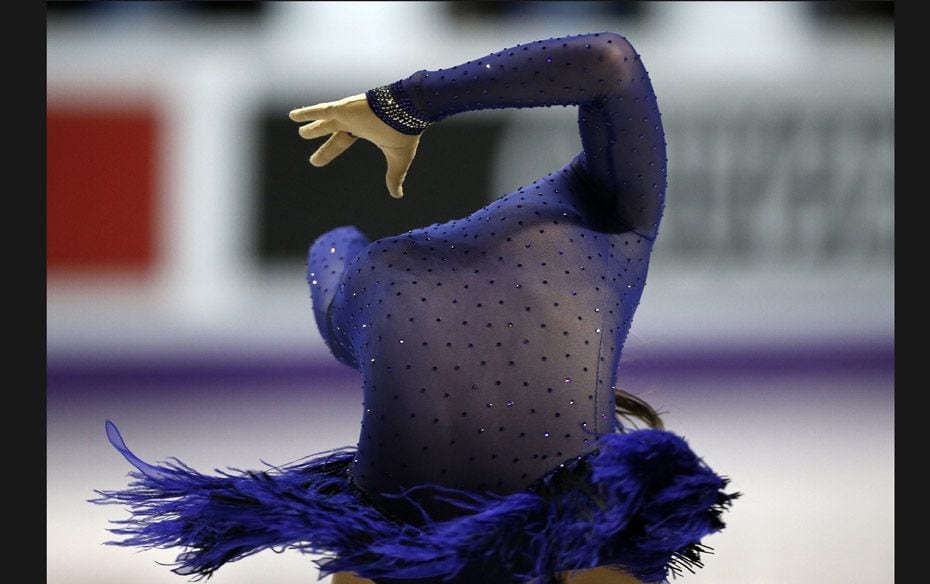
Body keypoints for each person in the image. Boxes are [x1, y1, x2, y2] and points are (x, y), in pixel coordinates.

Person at [94, 32, 736, 584]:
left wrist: (402, 107)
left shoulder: (375, 280)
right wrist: (400, 114)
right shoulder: (614, 215)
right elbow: (610, 58)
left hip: (401, 529)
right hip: (549, 518)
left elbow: (607, 61)